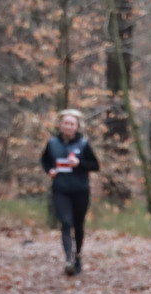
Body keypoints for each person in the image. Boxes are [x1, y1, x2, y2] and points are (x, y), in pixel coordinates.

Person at [40, 109, 100, 276]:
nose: (68, 126)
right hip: (61, 189)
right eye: (65, 123)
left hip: (80, 189)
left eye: (72, 124)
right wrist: (49, 170)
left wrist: (79, 164)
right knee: (66, 223)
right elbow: (45, 161)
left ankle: (78, 256)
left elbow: (95, 165)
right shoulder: (52, 143)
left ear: (77, 126)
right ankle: (68, 259)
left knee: (78, 225)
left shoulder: (83, 144)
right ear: (60, 125)